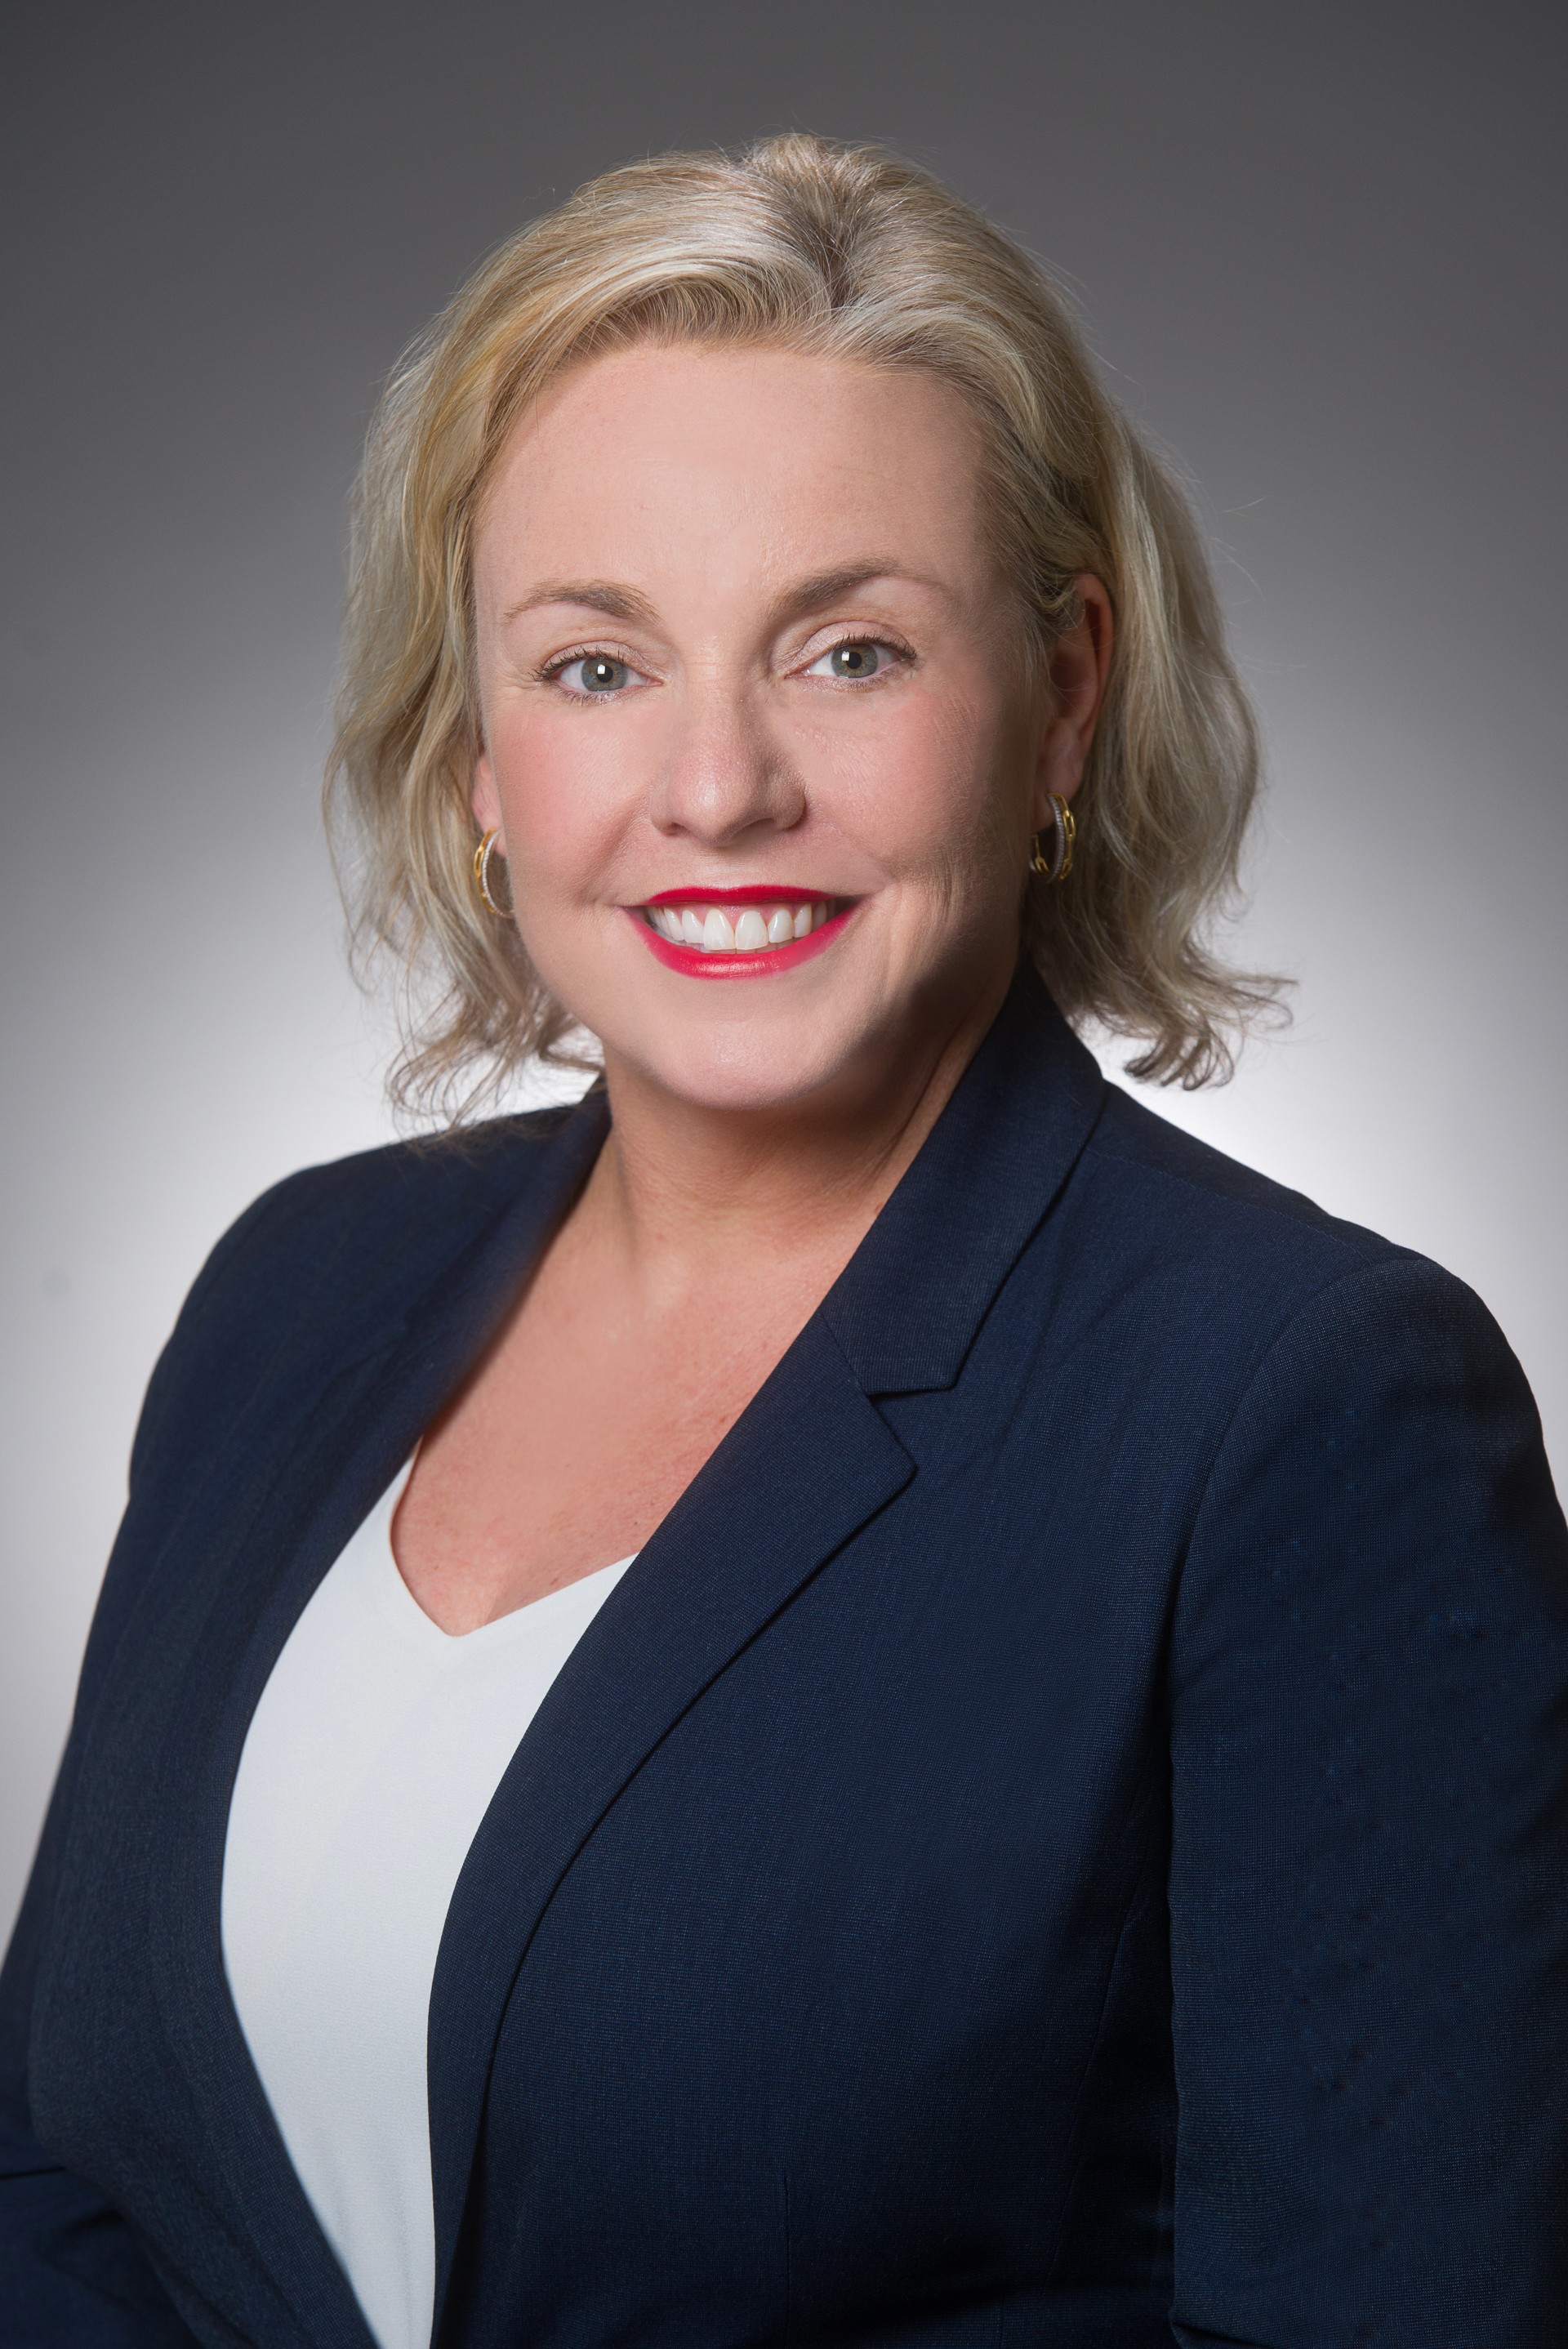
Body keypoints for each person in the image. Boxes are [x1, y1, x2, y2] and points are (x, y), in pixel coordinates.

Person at [2, 131, 1565, 2349]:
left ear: (1065, 695)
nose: (719, 787)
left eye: (849, 650)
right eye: (595, 665)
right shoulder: (296, 1288)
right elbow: (61, 2164)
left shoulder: (1303, 1406)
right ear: (477, 756)